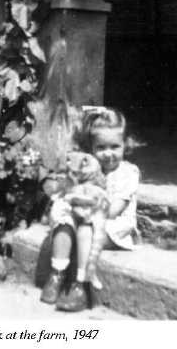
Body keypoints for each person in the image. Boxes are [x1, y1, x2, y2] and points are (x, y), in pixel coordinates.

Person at [40, 107, 140, 311]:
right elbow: (69, 192)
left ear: (125, 145)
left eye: (115, 147)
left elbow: (113, 211)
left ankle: (81, 286)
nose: (108, 153)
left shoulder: (128, 173)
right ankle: (57, 271)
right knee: (62, 213)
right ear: (92, 148)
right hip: (85, 214)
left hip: (112, 225)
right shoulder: (89, 167)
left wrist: (82, 207)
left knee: (86, 228)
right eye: (101, 147)